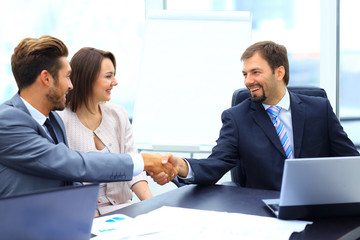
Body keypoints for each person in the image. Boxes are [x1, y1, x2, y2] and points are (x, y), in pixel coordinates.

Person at [154, 41, 359, 190]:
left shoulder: (319, 109)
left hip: (319, 204)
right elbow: (215, 165)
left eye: (255, 72)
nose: (248, 81)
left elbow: (351, 160)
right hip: (264, 209)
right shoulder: (237, 118)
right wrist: (181, 165)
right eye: (245, 74)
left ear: (279, 73)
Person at [0, 35, 176, 198]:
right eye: (67, 77)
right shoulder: (7, 122)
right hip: (21, 228)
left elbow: (69, 176)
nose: (71, 85)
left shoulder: (52, 120)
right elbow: (71, 164)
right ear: (46, 78)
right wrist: (142, 161)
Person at [57, 47, 151, 214]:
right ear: (87, 79)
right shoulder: (60, 119)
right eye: (108, 76)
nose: (114, 82)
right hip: (83, 213)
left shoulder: (118, 113)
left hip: (124, 208)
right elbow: (64, 177)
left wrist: (153, 206)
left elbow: (134, 168)